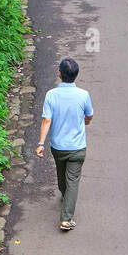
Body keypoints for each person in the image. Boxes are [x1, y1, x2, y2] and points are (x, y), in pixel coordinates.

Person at [36, 58, 94, 232]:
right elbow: (89, 115)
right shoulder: (83, 95)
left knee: (62, 176)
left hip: (58, 146)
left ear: (59, 74)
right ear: (76, 75)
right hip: (77, 147)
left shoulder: (51, 95)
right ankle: (66, 217)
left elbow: (47, 120)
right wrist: (86, 121)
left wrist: (40, 143)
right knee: (72, 181)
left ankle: (65, 205)